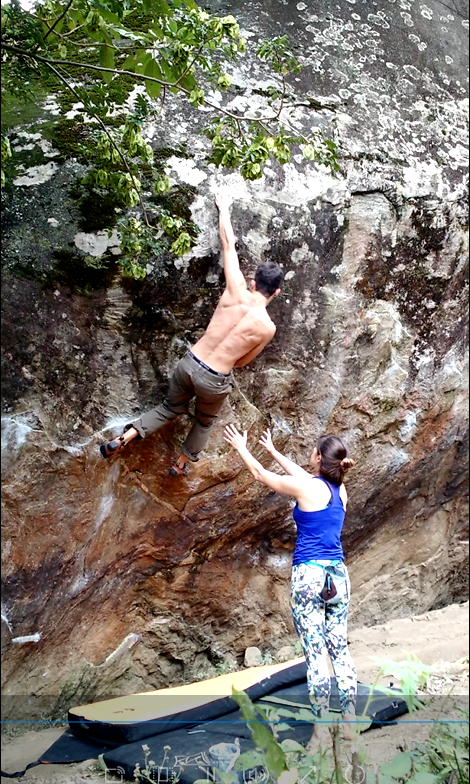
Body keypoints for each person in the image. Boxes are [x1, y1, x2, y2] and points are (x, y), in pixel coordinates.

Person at [99, 192, 283, 476]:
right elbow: (243, 361)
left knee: (169, 407)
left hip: (190, 363)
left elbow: (228, 245)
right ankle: (180, 464)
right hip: (215, 378)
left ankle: (125, 437)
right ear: (276, 293)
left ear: (253, 282)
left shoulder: (235, 289)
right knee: (204, 421)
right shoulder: (267, 328)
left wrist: (223, 207)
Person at [223, 424, 357, 752]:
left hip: (309, 576)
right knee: (339, 650)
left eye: (313, 451)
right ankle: (349, 725)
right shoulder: (340, 491)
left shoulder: (307, 488)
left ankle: (321, 733)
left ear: (318, 458)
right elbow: (304, 476)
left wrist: (242, 447)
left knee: (316, 655)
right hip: (338, 577)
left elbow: (259, 475)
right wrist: (273, 451)